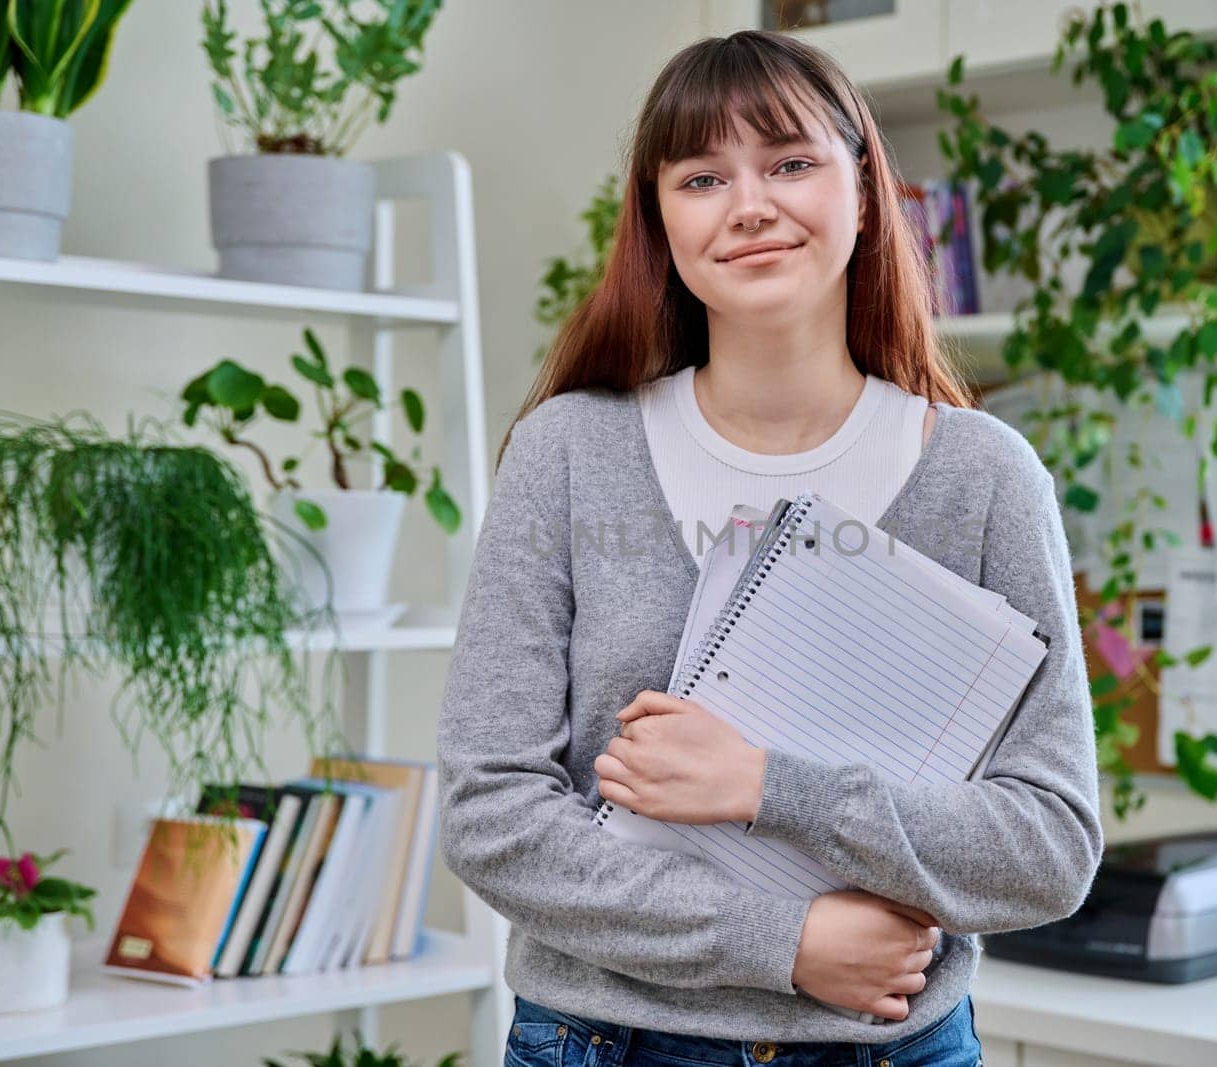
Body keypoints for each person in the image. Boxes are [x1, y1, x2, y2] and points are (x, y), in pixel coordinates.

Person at [437, 29, 1102, 1067]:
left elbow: (1049, 848)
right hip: (603, 1040)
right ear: (659, 218)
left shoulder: (982, 478)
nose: (750, 204)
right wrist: (781, 943)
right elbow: (493, 814)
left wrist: (766, 783)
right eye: (702, 176)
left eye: (791, 161)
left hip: (894, 1046)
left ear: (867, 188)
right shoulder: (568, 452)